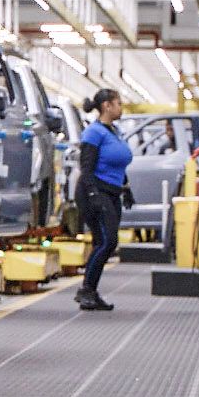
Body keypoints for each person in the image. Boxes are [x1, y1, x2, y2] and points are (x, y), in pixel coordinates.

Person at [77, 88, 132, 310]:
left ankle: (90, 291)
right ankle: (86, 290)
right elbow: (86, 167)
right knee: (108, 242)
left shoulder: (114, 131)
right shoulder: (94, 133)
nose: (121, 107)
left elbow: (116, 164)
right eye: (118, 103)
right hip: (95, 193)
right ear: (107, 106)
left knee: (104, 243)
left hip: (112, 192)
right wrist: (93, 195)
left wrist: (126, 188)